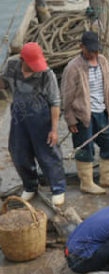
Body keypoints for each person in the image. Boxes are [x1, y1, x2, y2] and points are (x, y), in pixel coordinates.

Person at [61, 30, 109, 194]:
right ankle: (87, 183)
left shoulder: (103, 61)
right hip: (83, 115)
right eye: (90, 50)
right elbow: (66, 96)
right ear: (81, 47)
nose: (94, 54)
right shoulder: (73, 68)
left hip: (103, 112)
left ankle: (106, 178)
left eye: (96, 50)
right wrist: (70, 120)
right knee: (85, 149)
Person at [0, 42, 66, 206]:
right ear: (23, 59)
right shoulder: (12, 66)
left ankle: (58, 188)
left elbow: (55, 102)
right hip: (19, 117)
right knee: (18, 152)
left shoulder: (47, 74)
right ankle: (30, 185)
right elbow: (4, 84)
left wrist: (54, 129)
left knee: (48, 154)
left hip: (41, 117)